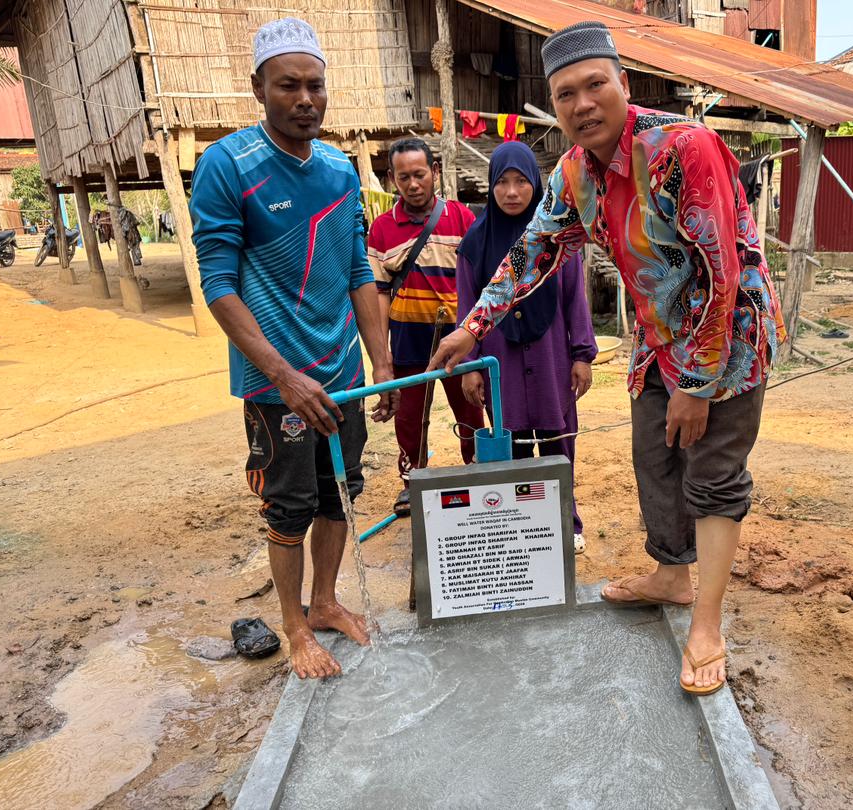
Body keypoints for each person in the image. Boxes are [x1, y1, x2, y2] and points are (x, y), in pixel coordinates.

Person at [430, 22, 786, 696]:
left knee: (710, 474)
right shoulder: (572, 172)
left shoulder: (684, 148)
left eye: (596, 85)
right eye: (566, 94)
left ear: (623, 84)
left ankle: (706, 622)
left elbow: (722, 270)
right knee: (654, 460)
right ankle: (672, 577)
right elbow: (531, 253)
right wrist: (474, 328)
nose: (582, 103)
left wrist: (700, 383)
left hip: (728, 340)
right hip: (657, 340)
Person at [189, 17, 398, 680]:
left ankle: (327, 600)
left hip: (341, 371)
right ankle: (294, 622)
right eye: (288, 86)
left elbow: (360, 273)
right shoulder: (228, 166)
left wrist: (383, 361)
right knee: (289, 503)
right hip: (274, 381)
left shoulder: (339, 171)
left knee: (342, 491)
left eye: (315, 85)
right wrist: (283, 376)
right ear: (259, 88)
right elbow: (219, 283)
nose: (305, 98)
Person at [456, 141, 596, 553]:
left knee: (559, 442)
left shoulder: (556, 237)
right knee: (511, 444)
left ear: (536, 184)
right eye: (502, 182)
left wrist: (582, 355)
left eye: (521, 182)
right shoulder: (475, 243)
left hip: (552, 356)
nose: (512, 192)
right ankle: (520, 528)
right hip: (500, 361)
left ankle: (564, 523)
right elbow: (468, 308)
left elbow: (575, 299)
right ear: (490, 186)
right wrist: (471, 366)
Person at [368, 138, 484, 517]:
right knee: (409, 417)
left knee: (469, 409)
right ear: (392, 180)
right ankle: (413, 481)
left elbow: (479, 280)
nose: (414, 184)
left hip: (458, 340)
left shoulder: (463, 218)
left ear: (434, 172)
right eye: (404, 177)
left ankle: (477, 474)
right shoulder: (382, 230)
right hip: (407, 341)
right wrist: (382, 351)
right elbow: (380, 293)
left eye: (420, 174)